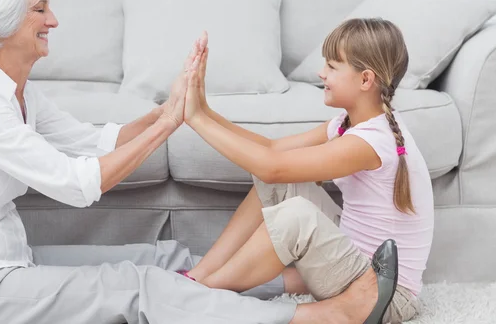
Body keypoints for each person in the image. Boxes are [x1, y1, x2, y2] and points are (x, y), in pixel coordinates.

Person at [0, 0, 397, 324]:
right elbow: (77, 184)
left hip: (9, 262)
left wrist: (172, 108)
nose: (53, 21)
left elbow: (98, 141)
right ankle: (317, 317)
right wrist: (169, 124)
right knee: (136, 287)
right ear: (0, 23)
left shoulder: (18, 93)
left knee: (162, 258)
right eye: (40, 10)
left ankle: (289, 286)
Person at [180, 19, 433, 323]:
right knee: (282, 186)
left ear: (365, 80)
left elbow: (273, 167)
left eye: (333, 66)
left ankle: (198, 294)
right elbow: (274, 151)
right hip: (354, 262)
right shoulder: (347, 123)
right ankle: (198, 277)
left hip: (384, 295)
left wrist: (195, 120)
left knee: (294, 215)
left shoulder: (369, 142)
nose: (321, 72)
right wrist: (204, 111)